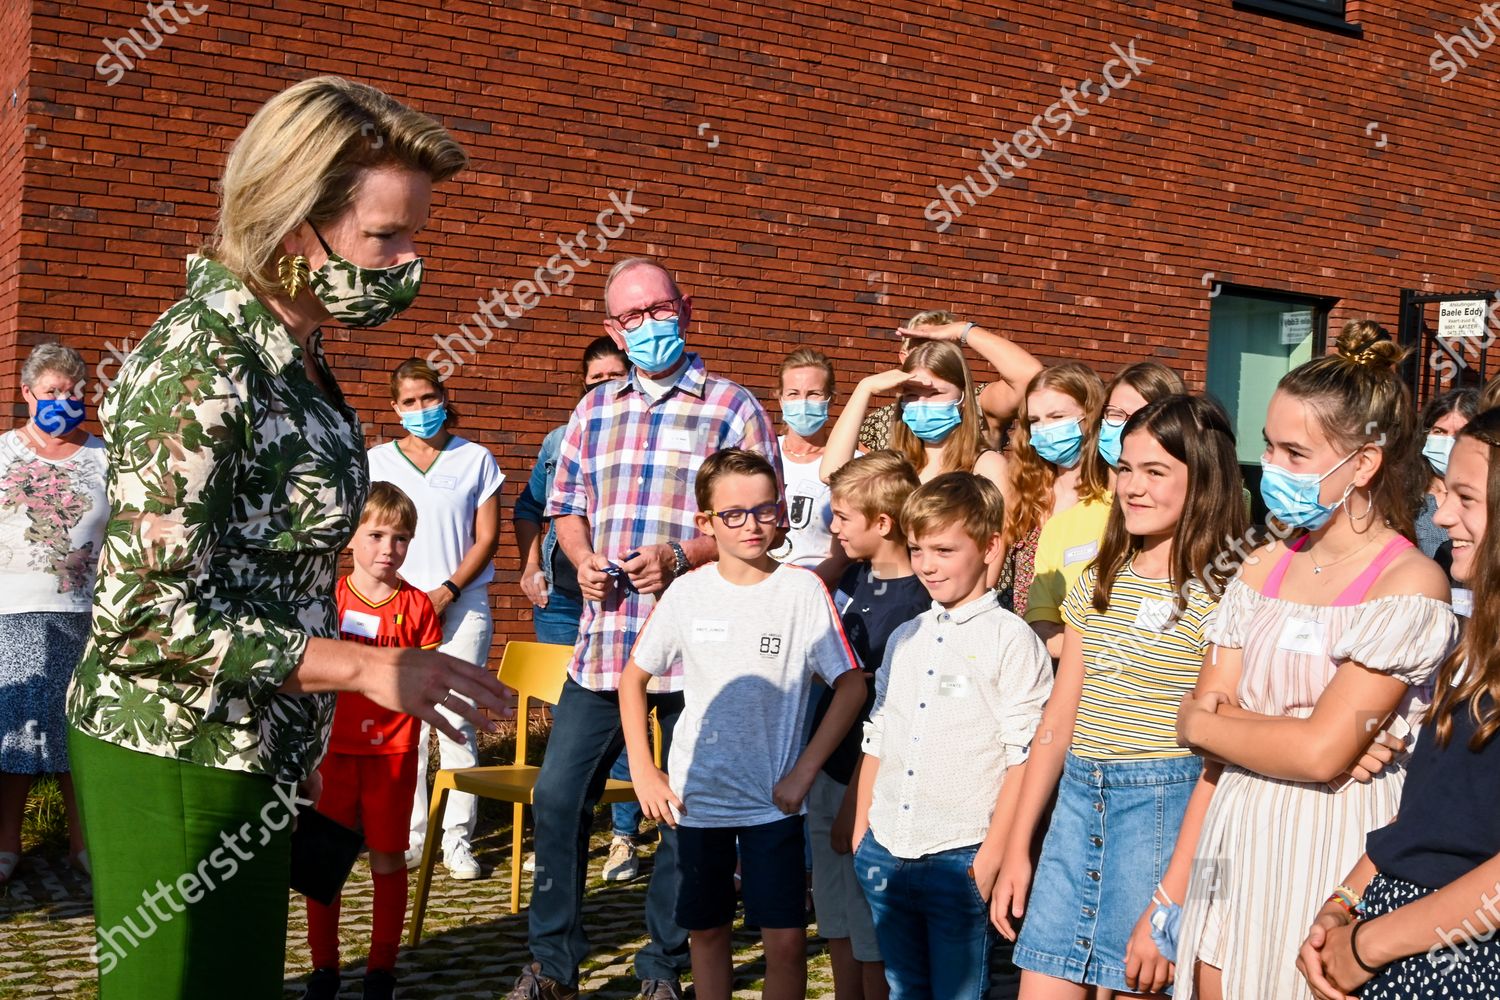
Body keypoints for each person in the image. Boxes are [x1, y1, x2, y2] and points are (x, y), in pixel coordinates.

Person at [67, 76, 508, 1000]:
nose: (409, 261)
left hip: (256, 747)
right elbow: (144, 615)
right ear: (289, 219)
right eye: (386, 236)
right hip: (177, 750)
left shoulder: (299, 358)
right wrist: (359, 668)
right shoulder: (201, 361)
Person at [507, 256, 781, 1000]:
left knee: (683, 812)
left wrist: (683, 553)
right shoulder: (593, 410)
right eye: (630, 317)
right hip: (605, 644)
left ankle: (663, 966)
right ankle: (553, 965)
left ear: (684, 310)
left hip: (701, 648)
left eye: (658, 310)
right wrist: (581, 557)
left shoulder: (732, 406)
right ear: (611, 330)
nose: (647, 326)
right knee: (559, 799)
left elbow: (763, 518)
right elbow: (563, 503)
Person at [1170, 321, 1459, 1000]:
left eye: (1296, 453)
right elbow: (1202, 724)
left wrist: (1224, 724)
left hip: (1327, 843)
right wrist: (1285, 735)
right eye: (1268, 446)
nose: (1272, 467)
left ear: (1362, 463)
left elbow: (1320, 754)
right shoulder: (1260, 562)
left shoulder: (1408, 584)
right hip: (1231, 828)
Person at [992, 395, 1248, 999]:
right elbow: (1059, 718)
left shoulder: (1232, 591)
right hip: (1077, 806)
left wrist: (1176, 891)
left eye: (1156, 472)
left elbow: (1220, 755)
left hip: (1165, 812)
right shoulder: (1097, 580)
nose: (1133, 486)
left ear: (1205, 478)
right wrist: (1018, 845)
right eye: (1127, 468)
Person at [621, 448, 866, 1000]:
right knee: (706, 932)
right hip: (695, 800)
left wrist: (805, 771)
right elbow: (633, 679)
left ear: (780, 511)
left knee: (782, 941)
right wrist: (645, 769)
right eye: (733, 513)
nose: (751, 524)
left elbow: (850, 683)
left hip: (773, 803)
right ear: (705, 522)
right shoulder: (686, 593)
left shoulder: (802, 590)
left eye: (763, 509)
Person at [1296, 405, 1500, 1000]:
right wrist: (1343, 904)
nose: (1441, 515)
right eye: (1443, 493)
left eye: (1467, 497)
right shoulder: (1473, 643)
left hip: (1460, 959)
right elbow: (1431, 814)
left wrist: (1367, 946)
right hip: (1395, 930)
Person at [853, 472, 1054, 1000]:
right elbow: (879, 734)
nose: (927, 564)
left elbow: (1023, 756)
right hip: (887, 849)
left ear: (990, 547)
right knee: (903, 989)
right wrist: (861, 837)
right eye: (917, 549)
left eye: (944, 549)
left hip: (961, 854)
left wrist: (991, 857)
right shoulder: (906, 635)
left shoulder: (1012, 641)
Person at [303, 483, 444, 1000]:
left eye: (402, 537)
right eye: (377, 534)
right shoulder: (328, 600)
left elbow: (429, 677)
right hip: (333, 755)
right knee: (325, 864)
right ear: (351, 538)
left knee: (387, 857)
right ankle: (323, 969)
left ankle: (381, 967)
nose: (389, 547)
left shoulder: (419, 607)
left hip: (394, 753)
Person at [513, 336, 644, 882]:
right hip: (565, 601)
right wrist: (529, 567)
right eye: (596, 380)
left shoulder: (643, 438)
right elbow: (529, 507)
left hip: (625, 602)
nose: (606, 386)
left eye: (617, 376)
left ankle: (623, 837)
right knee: (573, 722)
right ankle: (564, 837)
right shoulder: (561, 439)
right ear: (583, 385)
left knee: (620, 715)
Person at [368, 358, 504, 879]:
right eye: (409, 402)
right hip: (397, 606)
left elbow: (486, 537)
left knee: (457, 720)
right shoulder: (378, 460)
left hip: (462, 605)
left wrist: (447, 591)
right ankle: (411, 836)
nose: (421, 409)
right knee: (404, 720)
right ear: (395, 408)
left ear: (443, 398)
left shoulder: (476, 459)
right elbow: (369, 533)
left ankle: (458, 841)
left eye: (428, 398)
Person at [807, 451, 928, 1000]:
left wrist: (859, 797)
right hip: (826, 768)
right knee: (834, 913)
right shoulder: (847, 575)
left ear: (883, 523)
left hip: (872, 779)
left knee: (871, 924)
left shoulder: (921, 599)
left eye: (842, 518)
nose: (832, 528)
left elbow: (895, 713)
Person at [0, 343, 108, 883]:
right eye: (50, 392)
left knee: (77, 737)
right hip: (10, 615)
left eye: (72, 392)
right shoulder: (2, 454)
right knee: (14, 737)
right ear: (25, 394)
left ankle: (83, 846)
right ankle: (6, 847)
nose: (62, 401)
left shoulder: (104, 457)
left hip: (81, 615)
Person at [1025, 362, 1182, 657]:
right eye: (1115, 415)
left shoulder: (1184, 521)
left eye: (1142, 416)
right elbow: (1040, 622)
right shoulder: (1064, 525)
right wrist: (1102, 651)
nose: (1127, 427)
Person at [1004, 363, 1110, 623]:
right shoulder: (1023, 493)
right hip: (1021, 645)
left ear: (1091, 415)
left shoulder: (1111, 496)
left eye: (1057, 417)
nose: (1044, 429)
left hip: (1080, 648)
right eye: (1034, 421)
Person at [856, 312, 1041, 454]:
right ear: (904, 356)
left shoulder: (979, 404)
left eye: (942, 345)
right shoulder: (880, 420)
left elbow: (1030, 378)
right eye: (922, 344)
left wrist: (963, 330)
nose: (930, 354)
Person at [771, 348, 844, 569]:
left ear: (831, 400)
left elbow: (844, 556)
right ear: (781, 399)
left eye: (814, 394)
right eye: (793, 394)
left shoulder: (849, 462)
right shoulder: (762, 453)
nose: (803, 402)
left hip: (819, 588)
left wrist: (808, 588)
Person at [1413, 386, 1478, 560]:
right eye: (1439, 432)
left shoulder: (1489, 499)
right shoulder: (1403, 497)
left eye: (1460, 434)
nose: (1448, 443)